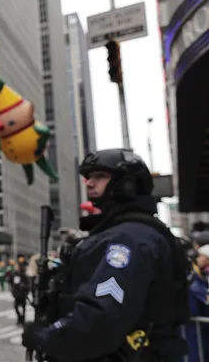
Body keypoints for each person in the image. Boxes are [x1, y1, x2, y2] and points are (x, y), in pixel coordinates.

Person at [22, 148, 189, 361]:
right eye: (88, 177)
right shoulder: (120, 232)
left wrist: (44, 336)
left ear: (127, 183)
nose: (89, 183)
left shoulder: (129, 238)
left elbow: (100, 320)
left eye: (100, 176)